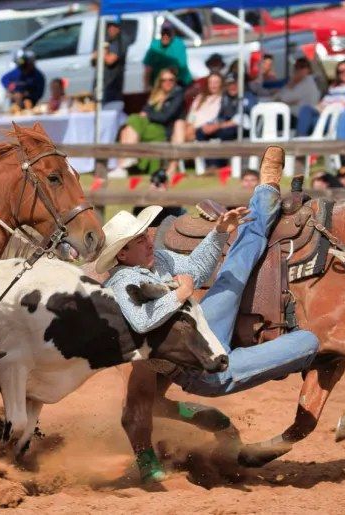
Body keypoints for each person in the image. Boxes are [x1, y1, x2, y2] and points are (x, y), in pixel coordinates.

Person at [96, 146, 319, 400]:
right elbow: (141, 321)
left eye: (145, 236)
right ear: (122, 255)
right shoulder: (121, 282)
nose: (149, 242)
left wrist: (220, 231)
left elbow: (197, 270)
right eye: (139, 241)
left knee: (234, 265)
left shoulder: (157, 260)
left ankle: (266, 190)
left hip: (204, 325)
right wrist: (181, 293)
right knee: (309, 341)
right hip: (200, 367)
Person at [112, 68, 184, 177]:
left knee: (133, 120)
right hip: (149, 127)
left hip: (163, 130)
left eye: (171, 80)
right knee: (127, 129)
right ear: (159, 82)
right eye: (164, 80)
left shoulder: (177, 95)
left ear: (175, 81)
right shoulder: (156, 95)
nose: (167, 83)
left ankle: (125, 162)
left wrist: (149, 115)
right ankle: (124, 165)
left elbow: (165, 117)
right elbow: (145, 110)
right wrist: (147, 115)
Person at [296, 59, 345, 136]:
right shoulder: (334, 88)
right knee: (306, 109)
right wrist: (320, 107)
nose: (344, 73)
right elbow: (323, 103)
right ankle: (299, 138)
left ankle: (300, 140)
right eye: (340, 72)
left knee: (310, 122)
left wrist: (329, 107)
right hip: (324, 114)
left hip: (336, 118)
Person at [143, 21, 192, 89]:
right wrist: (146, 86)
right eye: (164, 33)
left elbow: (181, 65)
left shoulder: (179, 43)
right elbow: (148, 69)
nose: (166, 36)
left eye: (168, 33)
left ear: (173, 33)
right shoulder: (155, 46)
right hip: (161, 85)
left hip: (181, 83)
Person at [270, 57, 321, 122]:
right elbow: (277, 97)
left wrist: (292, 83)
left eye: (302, 67)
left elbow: (284, 98)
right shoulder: (300, 82)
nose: (299, 70)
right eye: (296, 67)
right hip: (293, 115)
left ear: (308, 69)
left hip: (298, 118)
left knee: (271, 116)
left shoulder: (307, 83)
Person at [92, 16, 127, 106]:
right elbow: (93, 59)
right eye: (109, 26)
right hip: (101, 81)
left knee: (111, 107)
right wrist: (103, 52)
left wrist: (102, 52)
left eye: (114, 27)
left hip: (112, 84)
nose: (111, 29)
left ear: (118, 28)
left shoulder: (120, 42)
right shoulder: (106, 41)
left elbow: (110, 60)